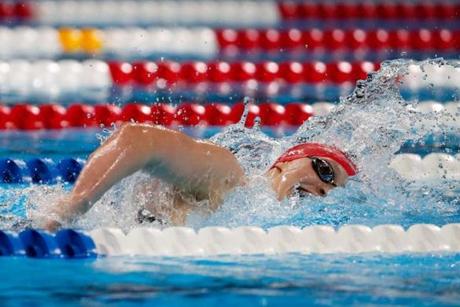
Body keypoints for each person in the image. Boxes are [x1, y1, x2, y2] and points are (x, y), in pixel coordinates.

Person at [42, 123, 357, 230]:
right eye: (324, 170)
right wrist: (77, 204)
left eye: (330, 190)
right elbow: (137, 138)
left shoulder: (251, 214)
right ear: (288, 159)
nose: (320, 188)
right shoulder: (229, 178)